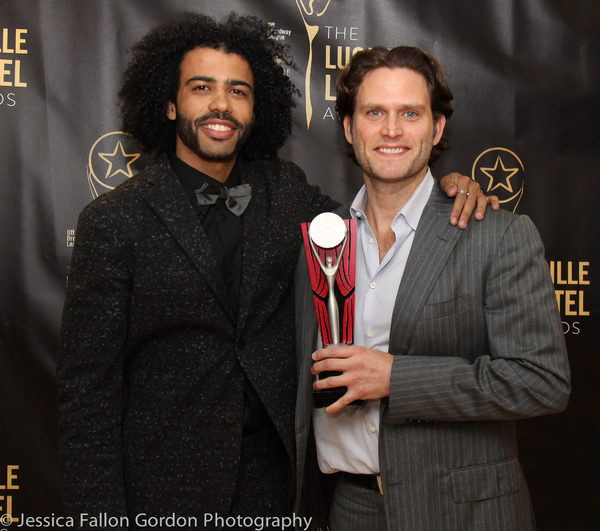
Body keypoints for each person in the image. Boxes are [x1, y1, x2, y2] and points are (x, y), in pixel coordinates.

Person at [57, 13, 492, 530]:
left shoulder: (286, 192)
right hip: (160, 489)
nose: (221, 104)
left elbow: (378, 213)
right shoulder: (113, 221)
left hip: (274, 489)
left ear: (254, 108)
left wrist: (449, 186)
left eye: (238, 90)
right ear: (170, 104)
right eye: (202, 87)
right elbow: (87, 395)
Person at [295, 46, 570, 531]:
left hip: (465, 511)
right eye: (374, 112)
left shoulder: (497, 234)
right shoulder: (321, 238)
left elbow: (541, 381)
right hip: (350, 509)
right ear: (348, 127)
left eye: (410, 113)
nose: (392, 130)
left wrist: (395, 379)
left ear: (437, 127)